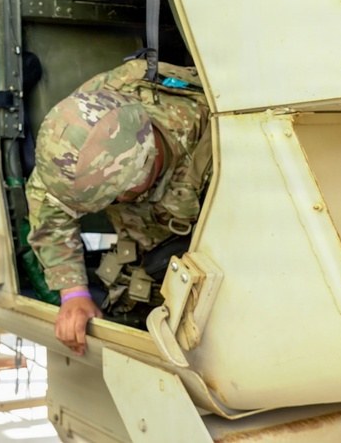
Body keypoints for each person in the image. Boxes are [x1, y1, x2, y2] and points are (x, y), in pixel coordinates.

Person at [26, 58, 211, 356]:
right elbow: (48, 202)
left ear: (139, 184)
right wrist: (73, 292)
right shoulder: (89, 116)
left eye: (111, 201)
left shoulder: (214, 149)